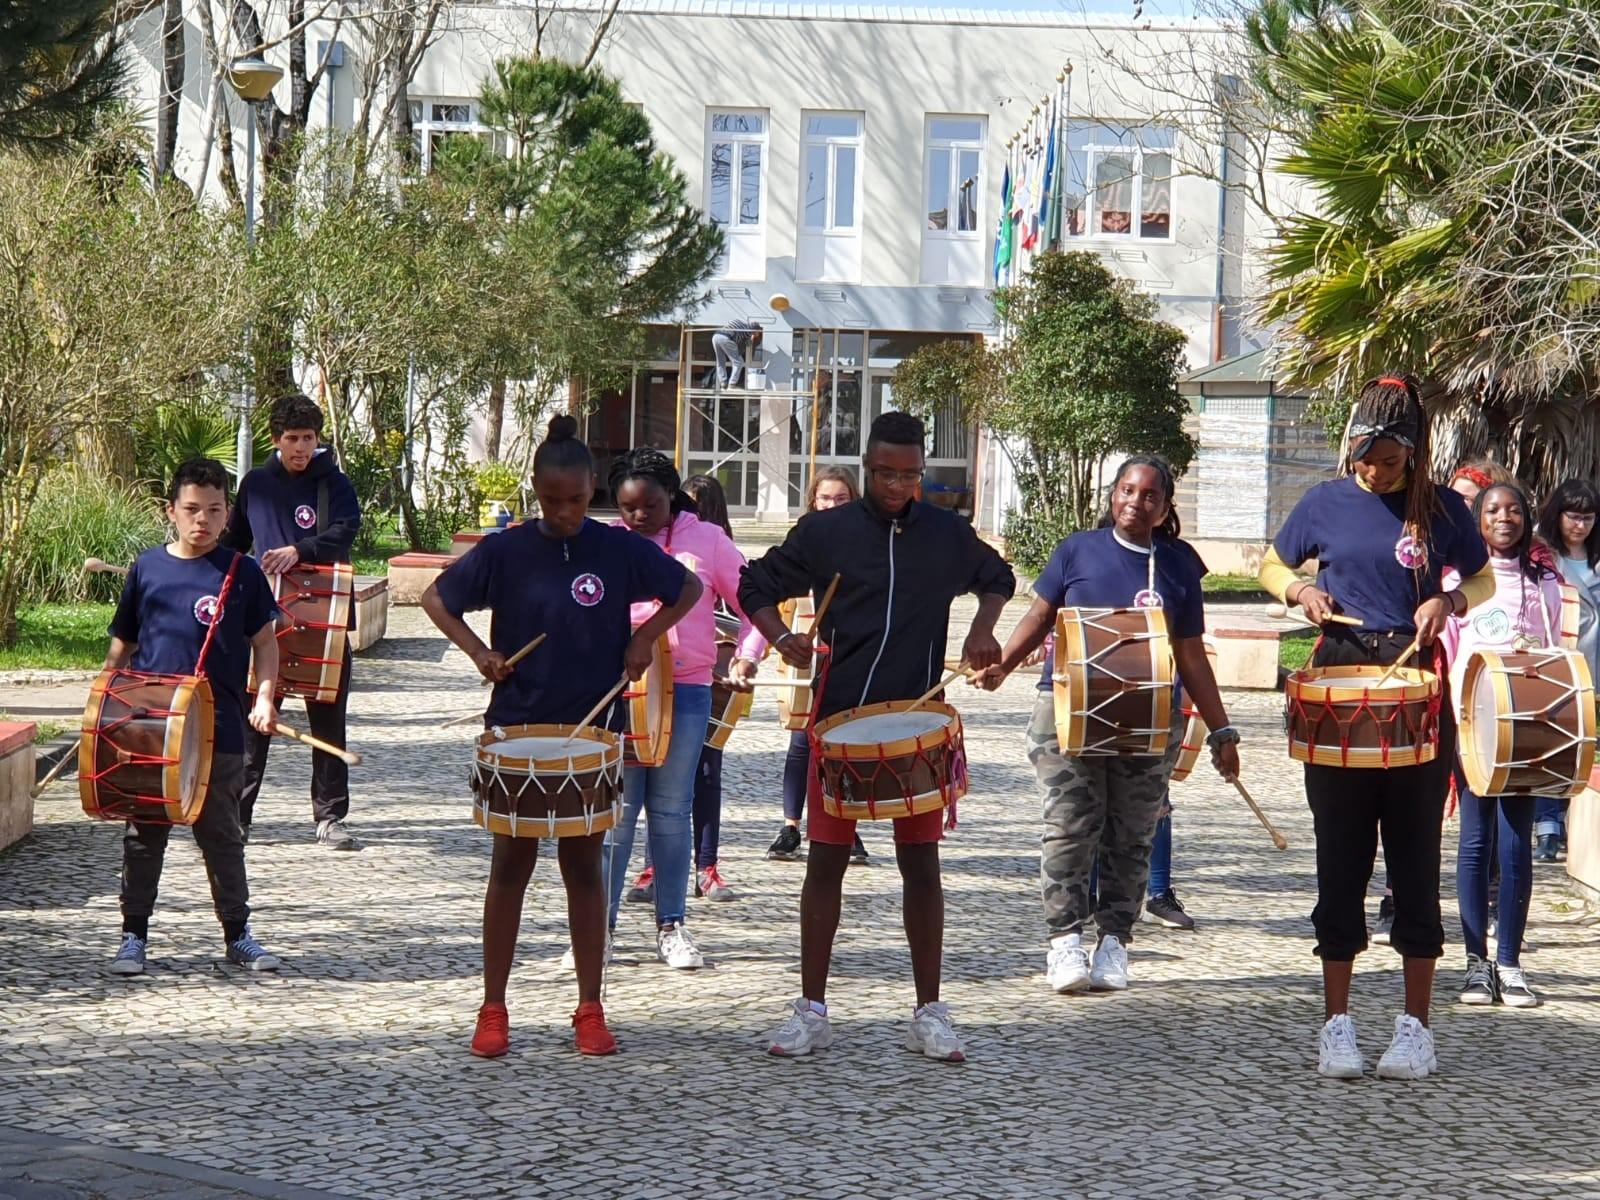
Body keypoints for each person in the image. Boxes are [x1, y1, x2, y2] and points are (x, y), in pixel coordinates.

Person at [420, 416, 700, 1058]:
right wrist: (480, 654)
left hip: (594, 730)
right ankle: (493, 1010)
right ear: (535, 493)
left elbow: (686, 589)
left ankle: (590, 1009)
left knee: (584, 869)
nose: (566, 511)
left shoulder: (619, 548)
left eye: (576, 499)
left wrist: (643, 638)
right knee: (509, 869)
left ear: (593, 487)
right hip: (517, 726)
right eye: (552, 501)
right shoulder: (508, 549)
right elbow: (438, 599)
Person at [740, 411, 1015, 1062]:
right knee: (825, 865)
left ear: (923, 472)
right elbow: (754, 584)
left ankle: (929, 1012)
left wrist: (985, 628)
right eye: (885, 473)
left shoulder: (947, 534)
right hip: (838, 722)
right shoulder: (827, 532)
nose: (897, 485)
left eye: (909, 475)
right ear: (866, 466)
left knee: (922, 867)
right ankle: (811, 1010)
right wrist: (783, 639)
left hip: (917, 724)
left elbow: (997, 578)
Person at [1259, 374, 1494, 1081]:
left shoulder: (1441, 508)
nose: (1373, 470)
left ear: (1412, 455)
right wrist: (1300, 589)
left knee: (1417, 859)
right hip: (1339, 676)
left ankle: (1415, 1029)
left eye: (1387, 461)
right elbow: (1270, 564)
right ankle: (1336, 1025)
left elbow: (1481, 578)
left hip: (1417, 687)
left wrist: (1448, 602)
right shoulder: (1324, 503)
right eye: (1364, 457)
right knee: (1341, 858)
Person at [977, 456, 1239, 994]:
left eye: (1148, 496)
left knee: (1132, 834)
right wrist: (1003, 662)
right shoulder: (1078, 549)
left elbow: (1190, 655)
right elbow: (1040, 616)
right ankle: (1064, 942)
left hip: (1149, 719)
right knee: (1070, 825)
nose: (1134, 503)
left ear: (1165, 507)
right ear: (1112, 494)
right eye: (1126, 491)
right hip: (1068, 711)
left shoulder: (1179, 564)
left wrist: (1222, 730)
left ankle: (1114, 942)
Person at [105, 458, 283, 976]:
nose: (201, 520)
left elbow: (265, 644)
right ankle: (133, 936)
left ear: (227, 514)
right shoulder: (147, 568)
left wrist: (265, 696)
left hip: (219, 728)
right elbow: (123, 645)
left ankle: (238, 935)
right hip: (150, 727)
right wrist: (104, 706)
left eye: (213, 510)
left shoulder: (242, 572)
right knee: (144, 835)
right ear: (171, 512)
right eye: (190, 509)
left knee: (222, 835)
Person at [603, 451, 761, 967]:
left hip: (688, 692)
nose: (639, 517)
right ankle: (596, 931)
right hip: (619, 693)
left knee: (671, 812)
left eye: (650, 505)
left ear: (672, 495)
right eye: (628, 508)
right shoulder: (607, 542)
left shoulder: (708, 540)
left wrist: (746, 654)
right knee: (617, 816)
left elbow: (756, 603)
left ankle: (671, 926)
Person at [224, 393, 363, 851]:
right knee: (255, 721)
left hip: (325, 622)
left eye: (308, 438)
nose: (301, 448)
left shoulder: (336, 485)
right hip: (267, 623)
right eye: (292, 439)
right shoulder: (255, 485)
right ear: (275, 439)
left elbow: (345, 530)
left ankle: (330, 819)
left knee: (328, 720)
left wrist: (299, 551)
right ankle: (235, 817)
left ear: (318, 438)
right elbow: (236, 543)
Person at [1441, 483, 1560, 1009]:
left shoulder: (1545, 582)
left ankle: (1509, 964)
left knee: (1515, 845)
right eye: (1492, 510)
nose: (1504, 517)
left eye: (1514, 509)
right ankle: (1475, 965)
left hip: (1526, 730)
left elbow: (1557, 653)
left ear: (1526, 517)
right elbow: (1448, 654)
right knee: (1474, 842)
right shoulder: (1457, 582)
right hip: (1473, 729)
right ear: (1477, 520)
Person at [765, 466, 866, 865]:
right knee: (800, 739)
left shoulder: (864, 539)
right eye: (826, 498)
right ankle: (790, 825)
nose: (833, 505)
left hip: (845, 650)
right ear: (813, 501)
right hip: (806, 645)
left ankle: (848, 828)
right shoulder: (805, 537)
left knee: (844, 743)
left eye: (842, 499)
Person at [1533, 479, 1600, 862]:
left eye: (1588, 518)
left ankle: (1577, 826)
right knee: (1555, 746)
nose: (1580, 525)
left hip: (1597, 660)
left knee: (1586, 750)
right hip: (1559, 662)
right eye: (1573, 516)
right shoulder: (1542, 555)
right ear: (1557, 515)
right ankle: (1547, 828)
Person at [711, 319, 762, 389]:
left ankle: (723, 382)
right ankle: (732, 384)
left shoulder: (741, 323)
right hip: (726, 338)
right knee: (739, 362)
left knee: (720, 361)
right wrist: (752, 337)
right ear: (754, 330)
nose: (758, 334)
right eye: (758, 332)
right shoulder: (748, 331)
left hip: (716, 336)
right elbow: (747, 345)